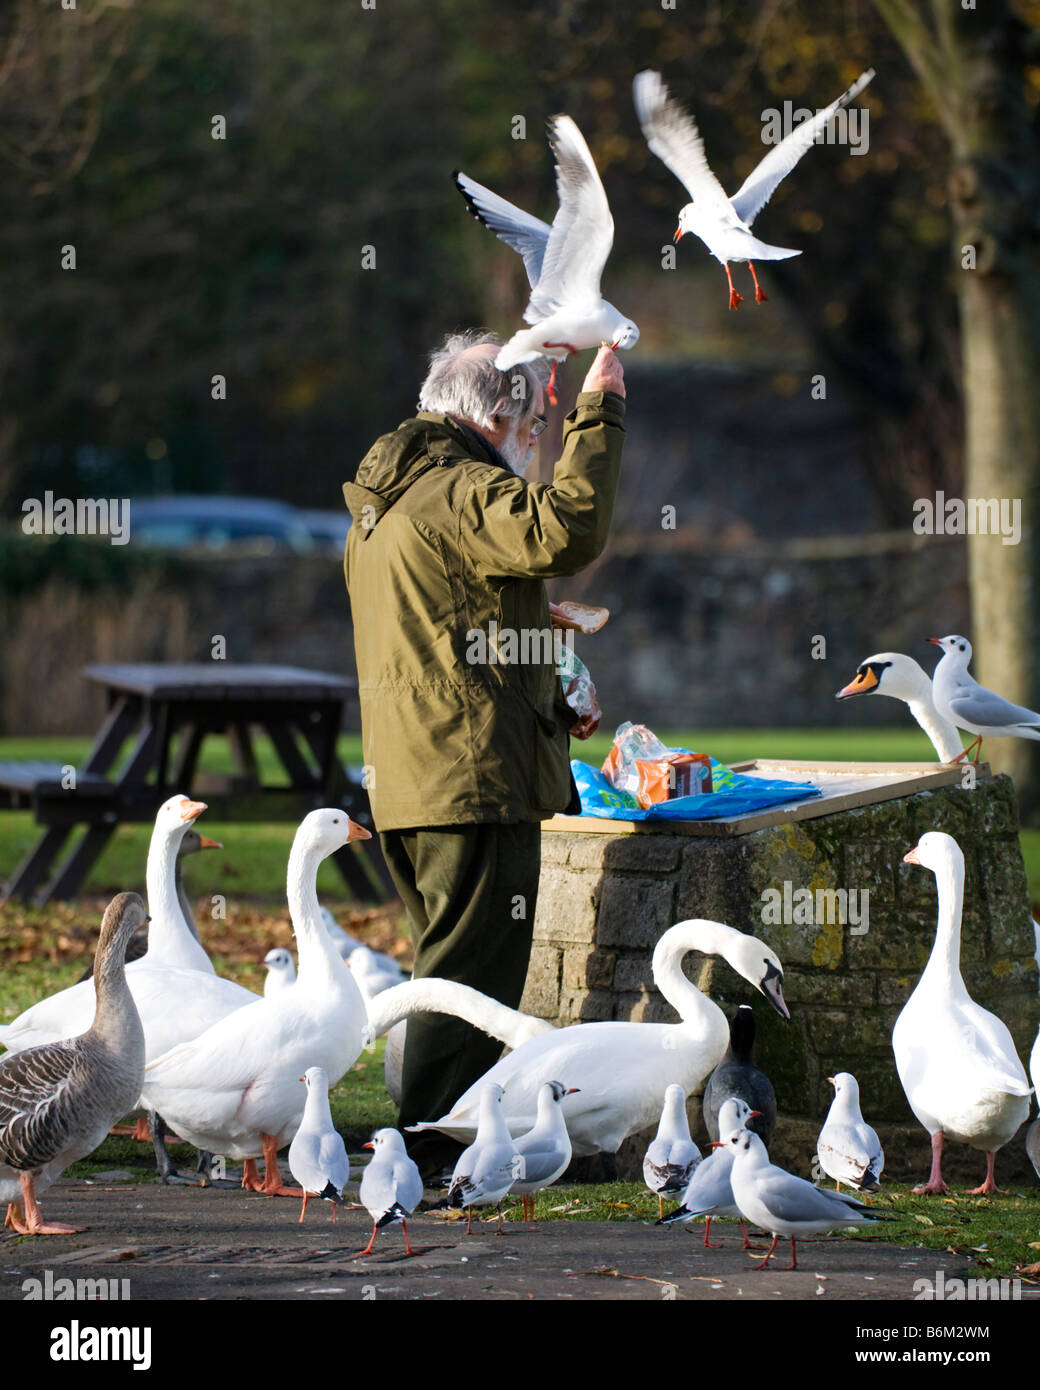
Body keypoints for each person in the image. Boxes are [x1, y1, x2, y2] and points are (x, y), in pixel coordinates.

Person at [342, 330, 626, 1177]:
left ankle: (461, 1143)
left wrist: (552, 678)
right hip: (470, 782)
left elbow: (452, 636)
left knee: (448, 976)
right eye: (537, 424)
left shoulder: (386, 501)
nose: (538, 444)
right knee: (469, 986)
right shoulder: (460, 489)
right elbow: (567, 531)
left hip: (412, 778)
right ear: (499, 415)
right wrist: (600, 411)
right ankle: (429, 1152)